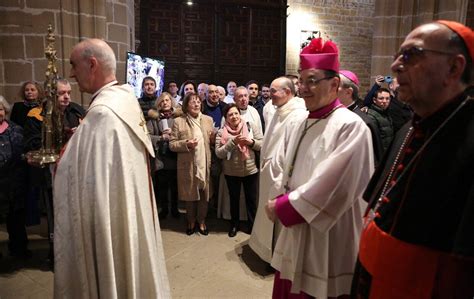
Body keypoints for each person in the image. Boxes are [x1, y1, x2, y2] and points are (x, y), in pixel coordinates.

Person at [351, 20, 474, 298]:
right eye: (397, 56)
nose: (395, 66)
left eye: (411, 55)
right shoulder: (411, 127)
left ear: (454, 68)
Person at [54, 38, 170, 297]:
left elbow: (80, 175)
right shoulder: (124, 98)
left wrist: (58, 162)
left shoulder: (103, 114)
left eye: (74, 65)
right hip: (126, 205)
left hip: (109, 213)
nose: (72, 73)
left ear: (92, 64)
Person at [265, 38, 374, 298]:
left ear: (335, 84)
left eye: (312, 80)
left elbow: (337, 185)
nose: (303, 89)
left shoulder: (350, 125)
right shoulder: (299, 121)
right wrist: (283, 193)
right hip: (295, 227)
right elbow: (286, 167)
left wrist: (284, 206)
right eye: (301, 81)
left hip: (329, 233)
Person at [249, 76, 307, 263]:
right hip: (269, 172)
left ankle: (278, 258)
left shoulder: (297, 115)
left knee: (279, 220)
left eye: (274, 91)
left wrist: (280, 171)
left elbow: (292, 149)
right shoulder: (279, 110)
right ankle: (268, 252)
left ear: (288, 92)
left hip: (280, 175)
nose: (270, 94)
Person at [169, 92, 214, 236]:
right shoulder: (178, 121)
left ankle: (201, 221)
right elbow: (172, 144)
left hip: (204, 161)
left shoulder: (208, 120)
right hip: (188, 164)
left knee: (204, 193)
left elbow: (211, 141)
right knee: (190, 194)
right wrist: (186, 144)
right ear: (186, 105)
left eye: (198, 102)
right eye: (192, 102)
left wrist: (213, 139)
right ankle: (191, 221)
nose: (196, 104)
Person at [215, 103, 263, 237]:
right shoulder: (221, 132)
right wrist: (232, 142)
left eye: (236, 113)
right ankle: (234, 224)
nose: (234, 116)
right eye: (230, 114)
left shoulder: (250, 126)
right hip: (231, 171)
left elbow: (262, 144)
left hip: (250, 169)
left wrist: (250, 142)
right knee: (234, 200)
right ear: (226, 117)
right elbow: (219, 153)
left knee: (251, 200)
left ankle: (252, 225)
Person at [0, 96, 30, 259]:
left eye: (0, 109)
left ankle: (19, 250)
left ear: (5, 110)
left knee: (16, 219)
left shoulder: (16, 129)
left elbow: (23, 153)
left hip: (14, 183)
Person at [147, 92, 181, 219]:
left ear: (171, 102)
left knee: (174, 185)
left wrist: (173, 134)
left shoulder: (179, 117)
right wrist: (161, 137)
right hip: (161, 156)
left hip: (175, 155)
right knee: (162, 184)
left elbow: (184, 134)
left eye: (167, 100)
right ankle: (164, 209)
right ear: (158, 104)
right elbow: (147, 136)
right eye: (162, 101)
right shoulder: (154, 119)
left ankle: (175, 208)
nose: (165, 103)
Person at [366, 88, 394, 155]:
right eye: (381, 98)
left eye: (387, 99)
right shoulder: (371, 116)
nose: (384, 101)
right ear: (374, 100)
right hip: (379, 156)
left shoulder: (386, 113)